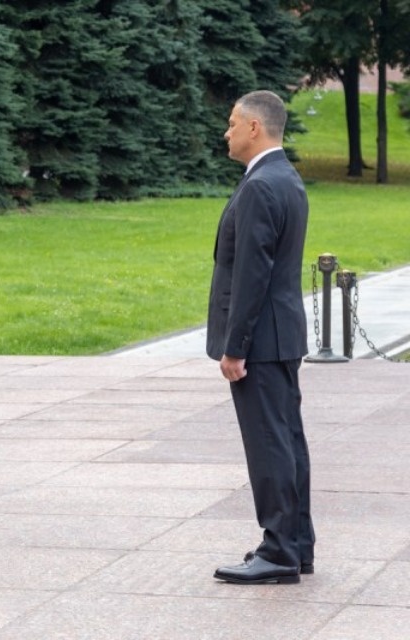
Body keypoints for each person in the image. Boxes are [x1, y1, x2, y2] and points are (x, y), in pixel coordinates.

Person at [207, 90, 314, 585]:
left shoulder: (259, 187)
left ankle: (278, 551)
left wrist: (235, 347)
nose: (225, 133)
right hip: (281, 335)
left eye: (231, 124)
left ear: (254, 128)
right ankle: (297, 545)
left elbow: (252, 274)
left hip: (261, 341)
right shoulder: (286, 179)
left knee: (270, 446)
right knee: (287, 442)